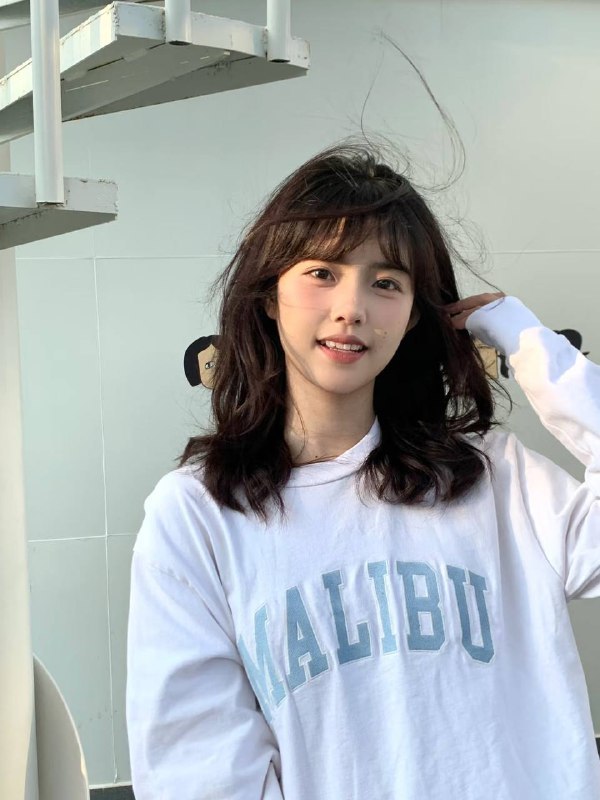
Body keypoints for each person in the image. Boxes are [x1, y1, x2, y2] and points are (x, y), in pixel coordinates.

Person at [125, 142, 600, 799]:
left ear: (412, 314)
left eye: (386, 283)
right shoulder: (197, 515)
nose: (352, 307)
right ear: (269, 295)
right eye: (322, 272)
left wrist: (530, 346)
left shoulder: (493, 477)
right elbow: (195, 769)